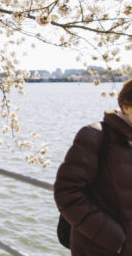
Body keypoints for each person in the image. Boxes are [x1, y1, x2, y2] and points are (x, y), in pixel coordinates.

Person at [54, 79, 132, 256]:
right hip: (99, 248)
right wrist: (118, 241)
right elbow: (67, 194)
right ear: (126, 106)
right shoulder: (94, 136)